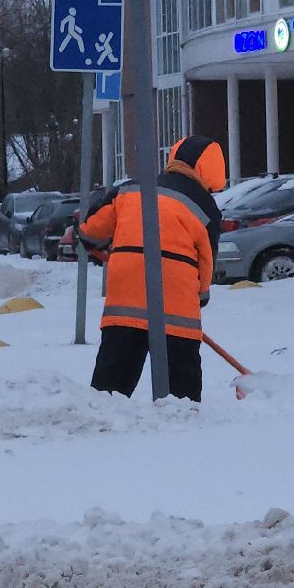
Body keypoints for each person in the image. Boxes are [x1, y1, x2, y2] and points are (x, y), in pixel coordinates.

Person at [79, 136, 226, 402]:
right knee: (181, 391)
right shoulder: (206, 207)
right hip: (177, 303)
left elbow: (91, 231)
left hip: (125, 299)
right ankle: (183, 422)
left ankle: (101, 418)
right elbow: (206, 260)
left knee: (110, 386)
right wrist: (201, 295)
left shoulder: (130, 189)